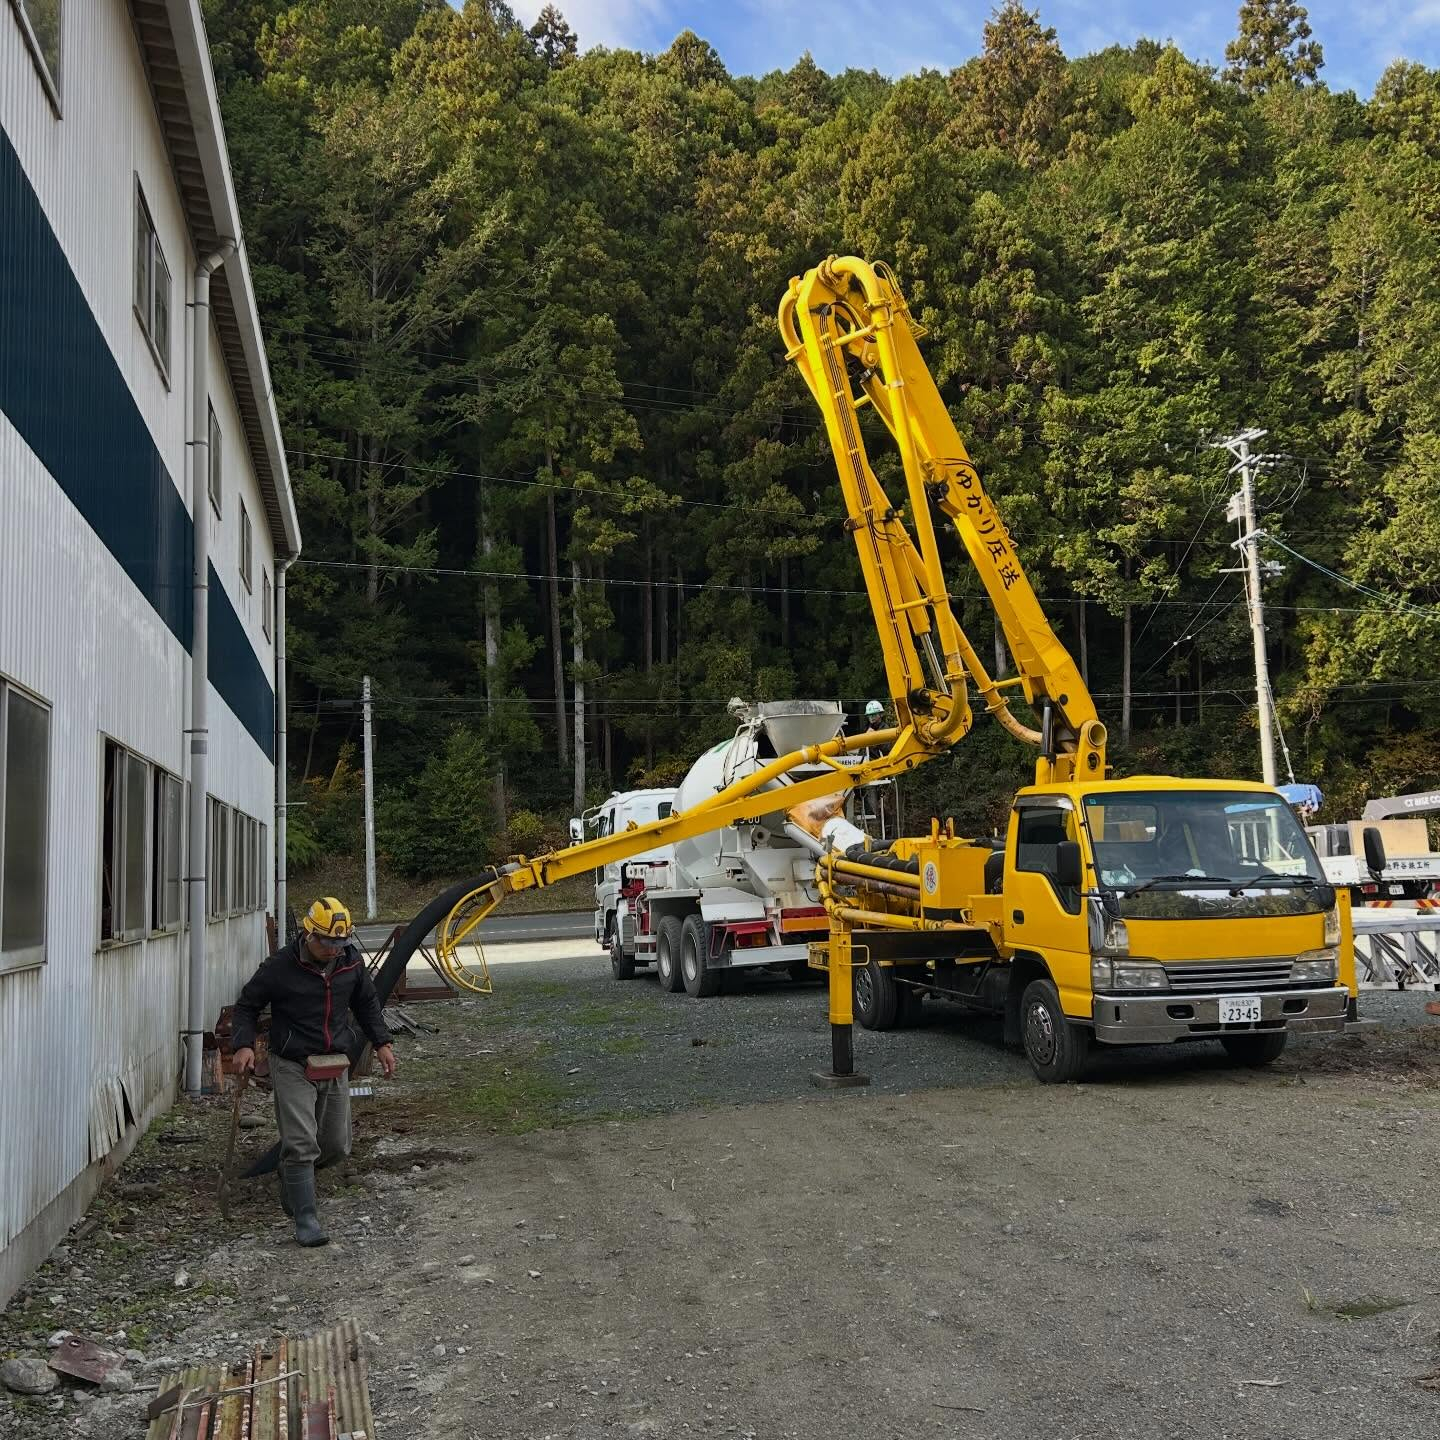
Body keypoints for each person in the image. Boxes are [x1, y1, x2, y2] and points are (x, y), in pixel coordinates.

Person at [231, 897, 396, 1247]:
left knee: (335, 1144)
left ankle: (290, 1172)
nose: (336, 949)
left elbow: (366, 1003)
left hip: (333, 1061)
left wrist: (382, 1043)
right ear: (310, 934)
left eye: (342, 942)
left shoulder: (350, 964)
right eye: (329, 942)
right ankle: (306, 1219)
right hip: (291, 1062)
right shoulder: (280, 967)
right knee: (302, 1141)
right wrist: (243, 1045)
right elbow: (247, 1006)